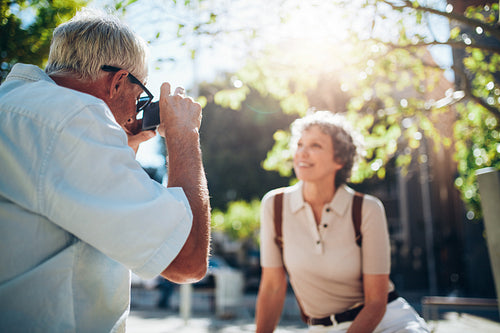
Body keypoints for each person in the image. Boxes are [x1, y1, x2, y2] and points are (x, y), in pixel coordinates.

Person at [0, 9, 211, 332]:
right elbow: (187, 259)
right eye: (140, 99)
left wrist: (120, 150)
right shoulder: (75, 117)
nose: (133, 116)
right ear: (118, 82)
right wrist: (185, 136)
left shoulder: (18, 104)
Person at [255, 111, 429, 333]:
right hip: (322, 327)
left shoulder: (367, 209)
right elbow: (272, 287)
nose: (302, 153)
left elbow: (376, 302)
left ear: (340, 159)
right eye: (299, 144)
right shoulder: (274, 205)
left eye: (315, 145)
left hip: (386, 321)